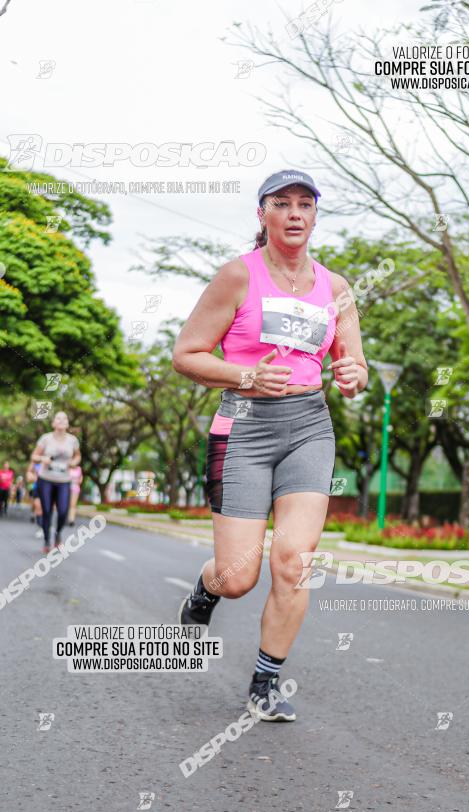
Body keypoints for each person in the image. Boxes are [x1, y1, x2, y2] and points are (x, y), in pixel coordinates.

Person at [173, 169, 368, 721]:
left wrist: (354, 375)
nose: (295, 213)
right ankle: (205, 592)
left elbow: (353, 365)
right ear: (263, 215)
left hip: (309, 425)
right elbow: (187, 354)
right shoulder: (237, 277)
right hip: (243, 424)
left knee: (293, 564)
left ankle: (265, 680)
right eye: (282, 203)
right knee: (239, 577)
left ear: (314, 216)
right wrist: (245, 378)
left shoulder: (337, 289)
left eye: (305, 204)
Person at [31, 411, 81, 552]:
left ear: (67, 423)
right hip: (46, 479)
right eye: (58, 418)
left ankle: (58, 533)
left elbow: (78, 457)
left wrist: (73, 462)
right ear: (53, 423)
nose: (61, 420)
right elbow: (34, 456)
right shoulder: (45, 439)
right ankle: (47, 541)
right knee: (46, 510)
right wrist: (42, 459)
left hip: (64, 480)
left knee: (63, 511)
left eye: (64, 418)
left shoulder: (72, 440)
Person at [26, 461, 43, 536]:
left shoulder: (52, 460)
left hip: (49, 489)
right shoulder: (35, 463)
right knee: (38, 506)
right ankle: (40, 527)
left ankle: (45, 525)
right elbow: (28, 476)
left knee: (46, 508)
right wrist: (34, 477)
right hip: (37, 488)